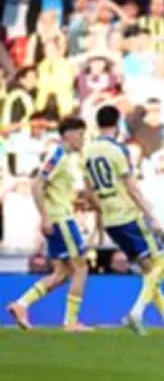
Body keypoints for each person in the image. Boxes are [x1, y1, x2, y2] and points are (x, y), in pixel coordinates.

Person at [82, 105, 164, 336]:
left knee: (148, 271)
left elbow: (87, 191)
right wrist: (150, 214)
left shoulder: (88, 151)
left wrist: (102, 210)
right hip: (128, 215)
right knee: (162, 264)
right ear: (117, 124)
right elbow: (131, 186)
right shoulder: (118, 150)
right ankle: (136, 312)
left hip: (111, 218)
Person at [6, 117, 92, 332]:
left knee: (62, 273)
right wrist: (44, 216)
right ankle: (71, 322)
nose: (82, 139)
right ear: (69, 134)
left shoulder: (69, 157)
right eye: (80, 134)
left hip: (58, 217)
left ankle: (21, 304)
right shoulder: (58, 155)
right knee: (81, 268)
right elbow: (37, 184)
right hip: (60, 219)